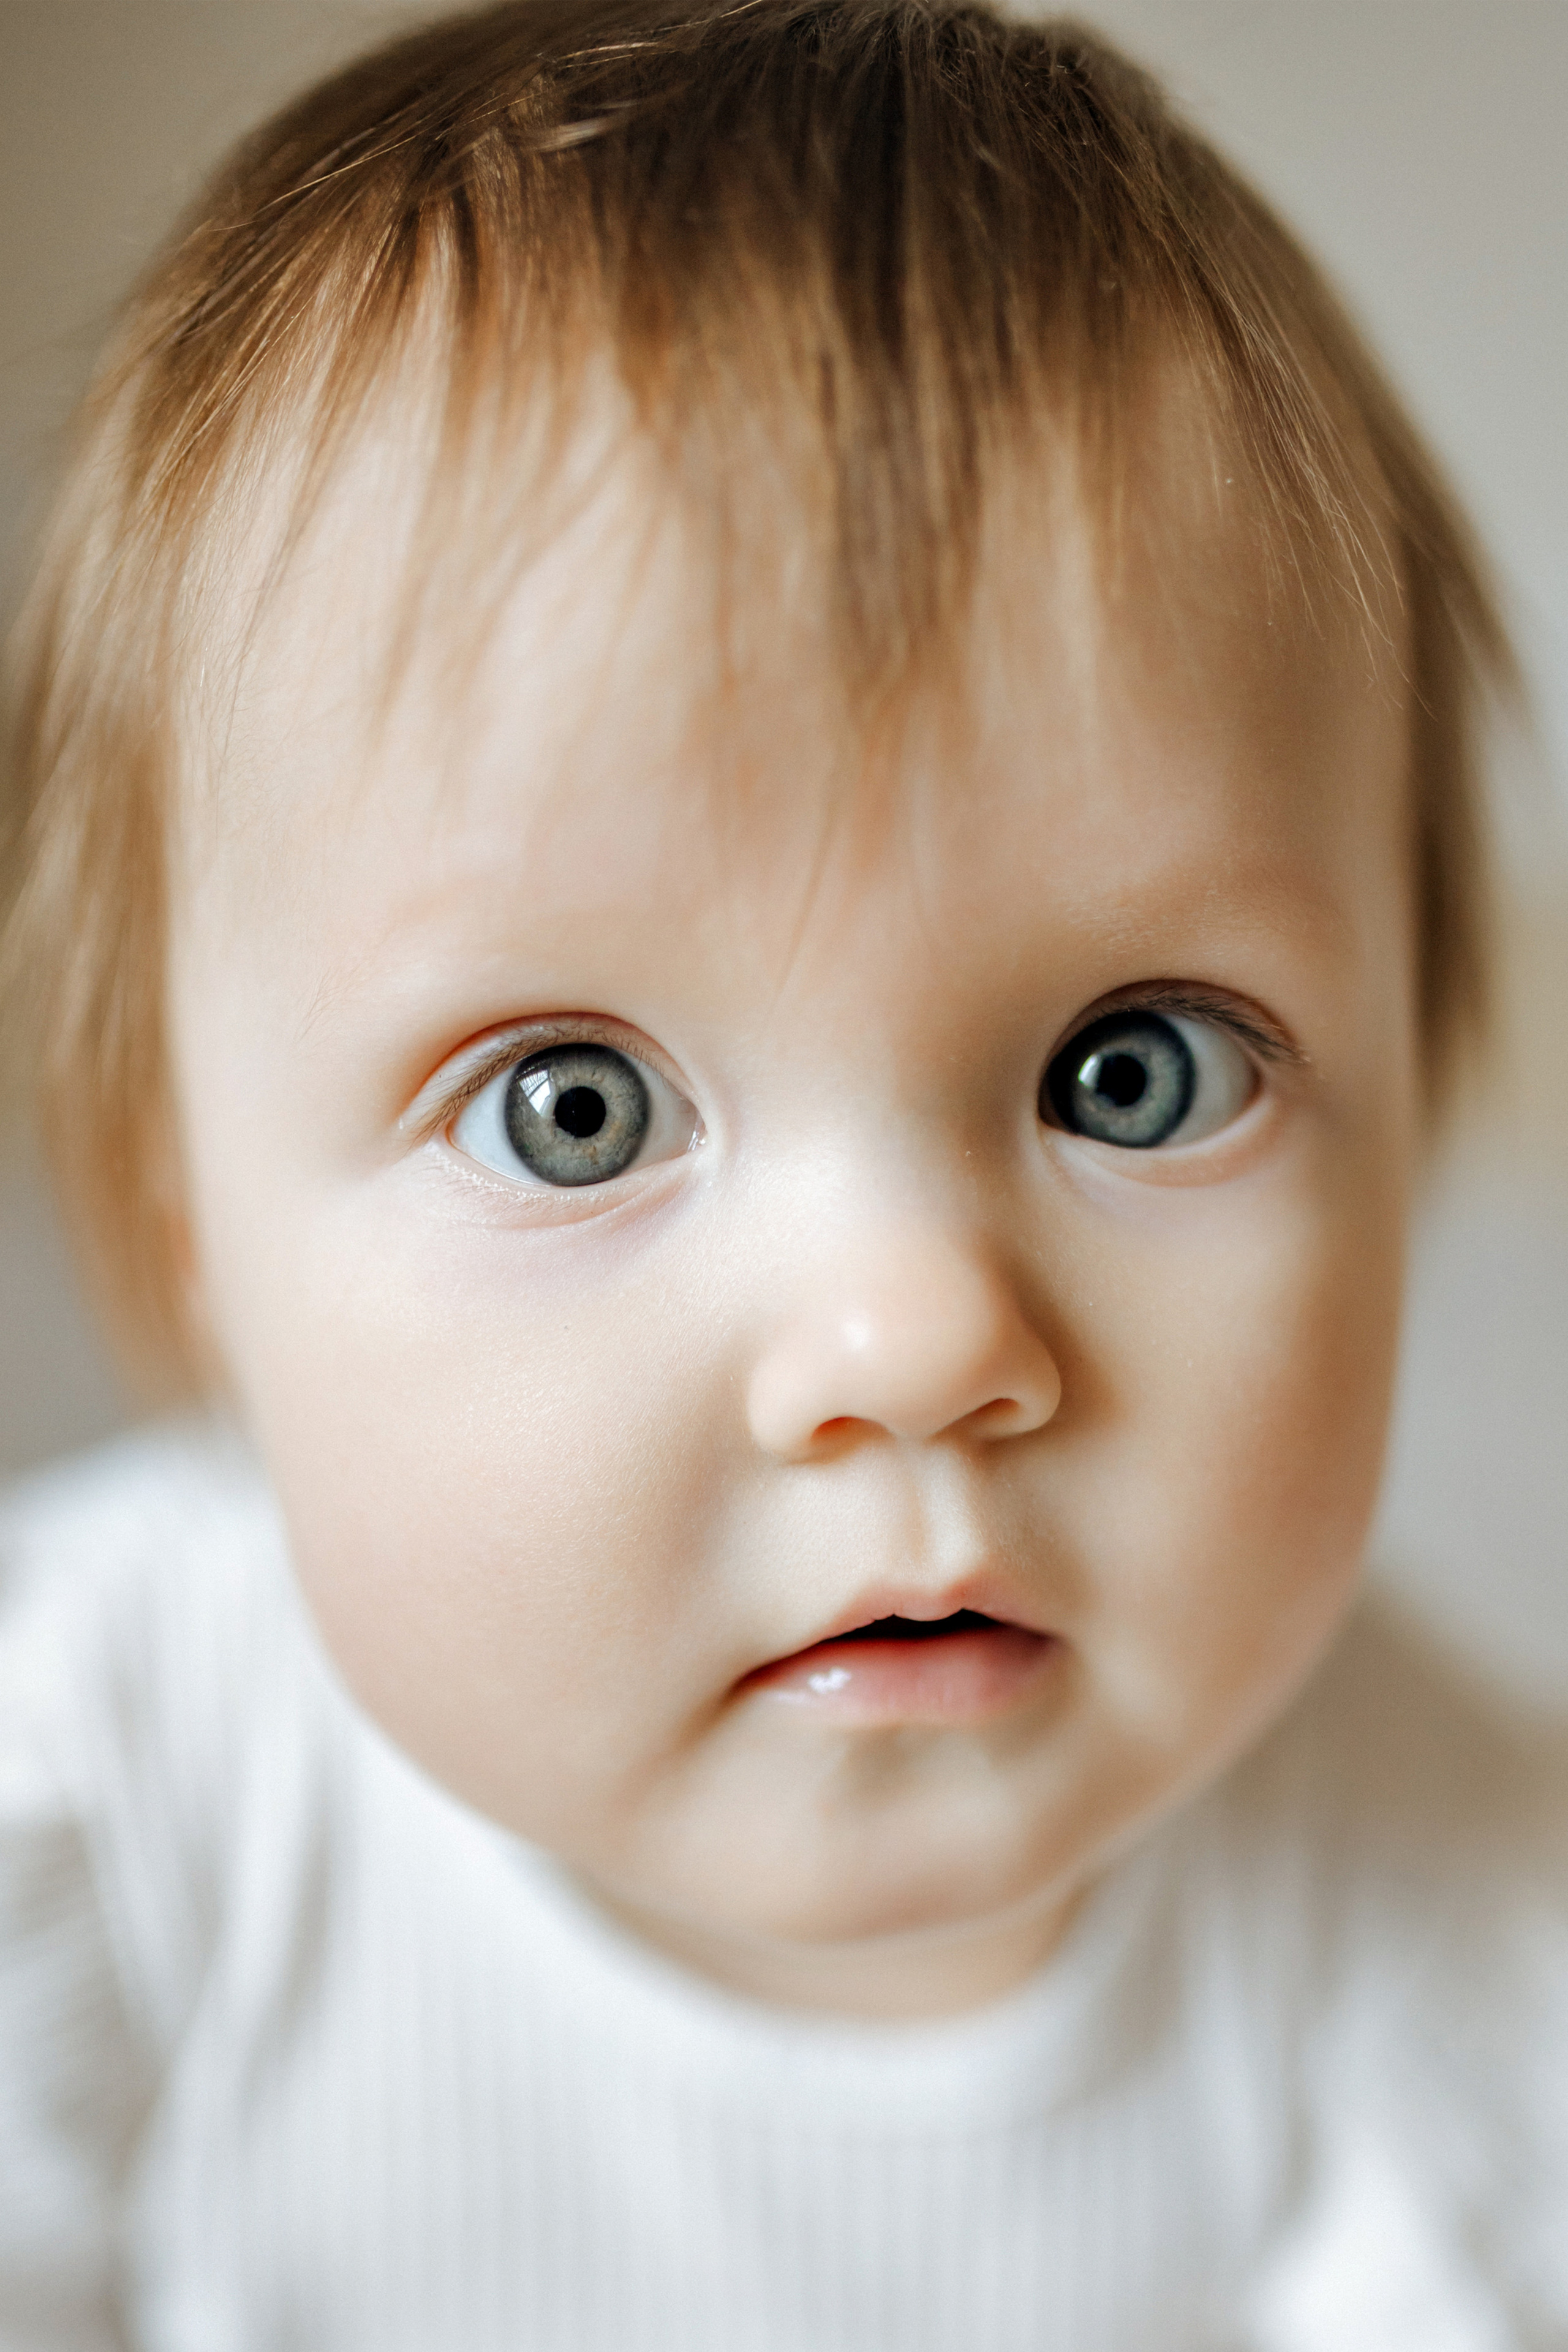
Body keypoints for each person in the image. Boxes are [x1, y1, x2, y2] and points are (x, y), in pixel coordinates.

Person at [2, 1, 1564, 2342]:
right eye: (575, 1109)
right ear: (188, 1231)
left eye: (1134, 1073)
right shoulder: (97, 1813)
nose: (920, 1337)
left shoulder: (1472, 1971)